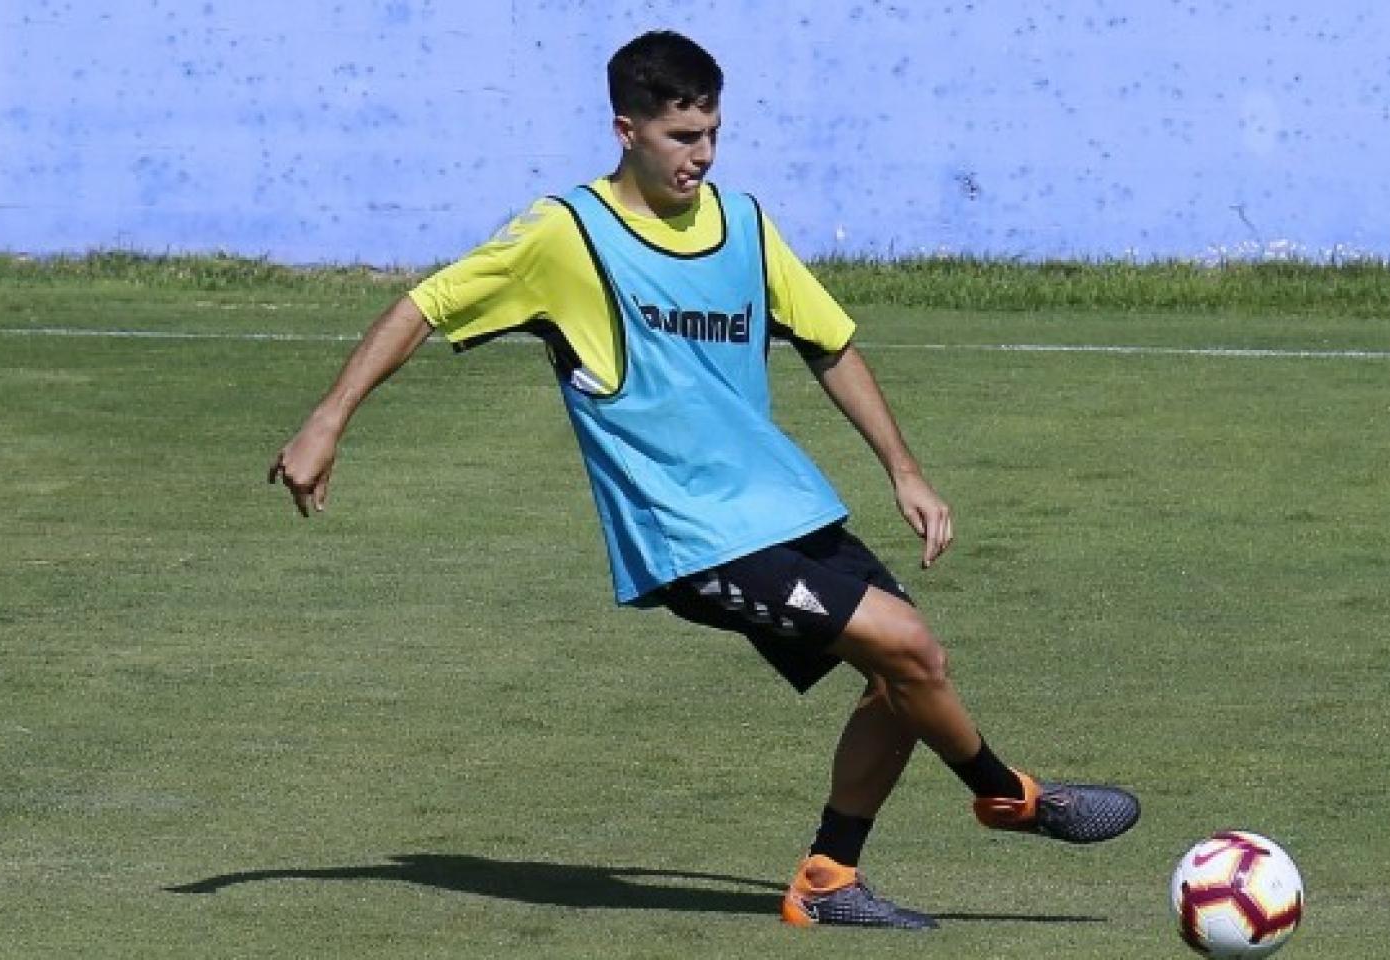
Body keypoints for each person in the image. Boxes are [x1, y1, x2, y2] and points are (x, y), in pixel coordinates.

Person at [268, 30, 1138, 930]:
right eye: (683, 137)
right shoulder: (565, 234)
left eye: (713, 132)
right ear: (626, 129)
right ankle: (1009, 796)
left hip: (784, 506)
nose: (704, 155)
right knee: (910, 646)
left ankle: (829, 880)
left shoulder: (743, 222)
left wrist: (904, 472)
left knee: (903, 679)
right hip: (688, 535)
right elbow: (425, 306)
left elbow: (828, 343)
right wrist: (328, 419)